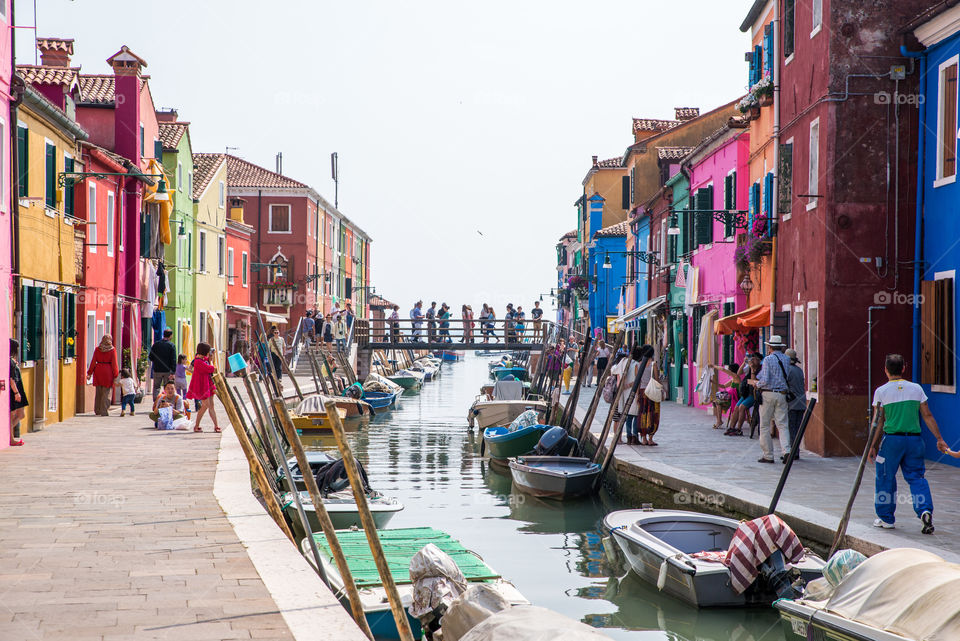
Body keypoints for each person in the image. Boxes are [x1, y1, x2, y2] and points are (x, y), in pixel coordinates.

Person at [868, 354, 946, 534]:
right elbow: (927, 415)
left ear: (886, 370)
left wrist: (871, 445)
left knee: (885, 476)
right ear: (903, 368)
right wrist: (939, 439)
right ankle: (924, 510)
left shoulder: (881, 391)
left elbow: (877, 421)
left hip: (892, 441)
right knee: (917, 477)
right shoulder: (916, 389)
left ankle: (886, 518)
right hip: (914, 440)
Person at [755, 335, 793, 464]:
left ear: (770, 347)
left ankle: (768, 455)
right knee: (782, 425)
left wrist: (756, 384)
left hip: (768, 394)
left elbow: (764, 379)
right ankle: (787, 451)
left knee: (765, 425)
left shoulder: (768, 359)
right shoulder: (787, 359)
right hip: (782, 394)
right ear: (781, 347)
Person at [611, 345, 646, 445]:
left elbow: (614, 371)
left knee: (626, 416)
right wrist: (637, 392)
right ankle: (633, 437)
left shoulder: (623, 361)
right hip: (632, 393)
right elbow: (638, 380)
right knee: (634, 415)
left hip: (622, 393)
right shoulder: (636, 364)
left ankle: (628, 437)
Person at [186, 342, 220, 433]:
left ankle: (216, 425)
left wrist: (211, 357)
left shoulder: (203, 359)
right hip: (202, 386)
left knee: (211, 406)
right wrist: (211, 361)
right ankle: (196, 426)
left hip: (208, 385)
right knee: (206, 406)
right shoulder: (198, 362)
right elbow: (211, 369)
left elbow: (209, 362)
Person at [726, 353, 761, 436]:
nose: (752, 360)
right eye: (751, 358)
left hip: (754, 394)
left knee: (742, 407)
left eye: (754, 359)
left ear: (759, 361)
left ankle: (739, 429)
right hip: (746, 393)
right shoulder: (749, 368)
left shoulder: (761, 369)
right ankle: (732, 428)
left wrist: (752, 370)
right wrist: (744, 363)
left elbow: (754, 383)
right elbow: (739, 373)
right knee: (736, 408)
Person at [88, 335, 119, 416]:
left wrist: (89, 373)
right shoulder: (112, 350)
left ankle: (97, 410)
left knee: (98, 392)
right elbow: (114, 364)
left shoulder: (98, 349)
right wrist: (116, 375)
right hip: (108, 371)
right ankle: (104, 410)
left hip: (98, 371)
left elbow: (93, 361)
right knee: (107, 392)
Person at [784, 348, 807, 459]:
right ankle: (796, 451)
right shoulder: (799, 370)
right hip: (802, 403)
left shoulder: (788, 370)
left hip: (792, 403)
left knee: (791, 428)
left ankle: (792, 452)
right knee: (797, 428)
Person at [148, 328, 177, 401]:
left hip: (157, 370)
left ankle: (156, 402)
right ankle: (166, 402)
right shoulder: (171, 346)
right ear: (170, 336)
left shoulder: (156, 344)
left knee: (156, 387)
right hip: (167, 371)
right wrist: (173, 371)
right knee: (167, 387)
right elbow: (173, 359)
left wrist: (156, 361)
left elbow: (150, 357)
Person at [711, 364, 740, 430]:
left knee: (717, 402)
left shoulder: (736, 376)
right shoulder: (733, 378)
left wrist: (713, 366)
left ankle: (719, 421)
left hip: (734, 398)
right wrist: (713, 382)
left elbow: (723, 369)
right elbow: (723, 386)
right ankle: (719, 420)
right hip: (730, 397)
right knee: (715, 402)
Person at [9, 339, 26, 446]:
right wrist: (16, 393)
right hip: (15, 391)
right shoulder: (10, 361)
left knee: (21, 414)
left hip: (18, 389)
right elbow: (11, 378)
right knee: (12, 415)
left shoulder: (12, 361)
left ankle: (8, 434)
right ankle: (10, 438)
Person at [267, 326, 287, 390]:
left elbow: (284, 347)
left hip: (279, 354)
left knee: (279, 367)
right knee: (274, 367)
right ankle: (274, 378)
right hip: (273, 354)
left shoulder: (281, 339)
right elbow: (269, 348)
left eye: (277, 332)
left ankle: (279, 378)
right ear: (273, 333)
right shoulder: (271, 339)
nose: (276, 334)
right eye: (275, 332)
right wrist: (268, 355)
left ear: (279, 333)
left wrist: (284, 354)